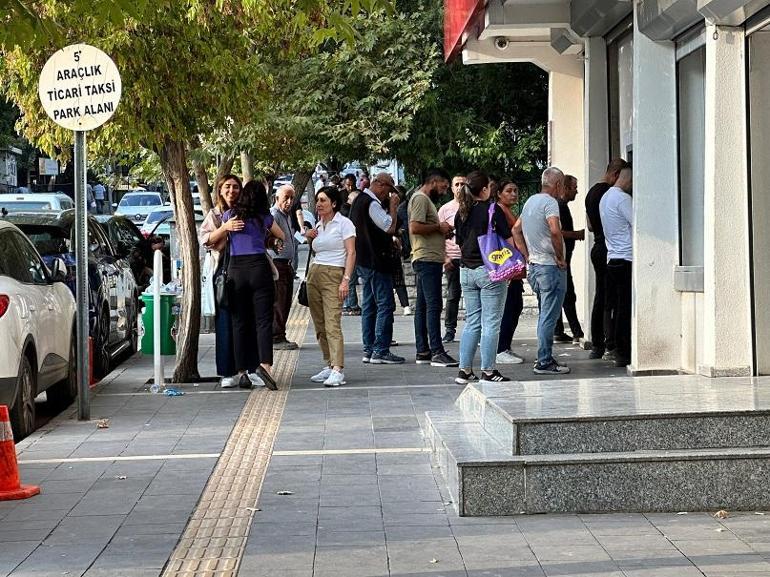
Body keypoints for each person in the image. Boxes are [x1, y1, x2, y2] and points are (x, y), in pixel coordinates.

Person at [224, 180, 285, 390]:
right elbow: (281, 235)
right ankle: (265, 367)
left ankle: (241, 372)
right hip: (259, 268)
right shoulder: (264, 217)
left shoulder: (229, 216)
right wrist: (268, 237)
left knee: (239, 322)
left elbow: (221, 239)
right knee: (263, 322)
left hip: (236, 271)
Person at [454, 171, 513, 384]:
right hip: (489, 271)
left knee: (472, 322)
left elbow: (459, 242)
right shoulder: (492, 209)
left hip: (466, 271)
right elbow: (508, 239)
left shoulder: (461, 212)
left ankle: (464, 370)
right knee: (491, 323)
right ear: (485, 190)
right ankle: (488, 371)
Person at [513, 167, 570, 375]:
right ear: (557, 185)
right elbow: (555, 231)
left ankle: (545, 356)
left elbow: (515, 230)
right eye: (562, 184)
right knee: (549, 316)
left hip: (535, 267)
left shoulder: (530, 202)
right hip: (549, 267)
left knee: (544, 313)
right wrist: (560, 258)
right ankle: (544, 361)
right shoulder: (550, 203)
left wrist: (527, 256)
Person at [349, 171, 404, 364]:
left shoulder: (359, 200)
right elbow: (388, 226)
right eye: (389, 189)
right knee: (385, 304)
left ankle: (369, 349)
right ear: (380, 185)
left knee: (370, 305)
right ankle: (380, 349)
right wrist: (394, 207)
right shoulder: (371, 203)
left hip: (364, 260)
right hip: (375, 260)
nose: (389, 195)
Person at [305, 186, 357, 387]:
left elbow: (351, 253)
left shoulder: (344, 224)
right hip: (315, 272)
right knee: (319, 323)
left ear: (333, 203)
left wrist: (346, 279)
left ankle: (338, 369)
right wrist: (311, 237)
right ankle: (328, 363)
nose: (318, 204)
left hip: (334, 273)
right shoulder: (319, 225)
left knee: (332, 322)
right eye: (318, 200)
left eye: (323, 200)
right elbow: (317, 249)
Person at [409, 169, 458, 367]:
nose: (445, 191)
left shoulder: (422, 199)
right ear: (434, 181)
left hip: (427, 257)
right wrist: (439, 227)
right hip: (426, 259)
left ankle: (423, 350)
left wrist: (441, 232)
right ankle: (437, 350)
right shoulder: (421, 199)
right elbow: (415, 227)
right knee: (433, 304)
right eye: (444, 186)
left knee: (422, 306)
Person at [199, 174, 241, 388]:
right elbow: (205, 239)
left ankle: (247, 368)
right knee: (224, 323)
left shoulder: (246, 212)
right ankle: (227, 371)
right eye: (227, 187)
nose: (231, 191)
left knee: (245, 322)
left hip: (246, 272)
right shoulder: (215, 215)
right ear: (220, 190)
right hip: (223, 275)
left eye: (235, 187)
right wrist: (225, 228)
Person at [585, 159, 627, 360]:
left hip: (598, 246)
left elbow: (590, 226)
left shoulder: (592, 193)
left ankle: (597, 345)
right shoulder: (610, 194)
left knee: (600, 296)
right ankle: (611, 344)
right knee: (612, 299)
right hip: (610, 248)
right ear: (616, 173)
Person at [599, 165, 633, 368]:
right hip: (626, 257)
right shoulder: (623, 199)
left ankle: (617, 348)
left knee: (616, 306)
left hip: (612, 257)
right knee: (625, 308)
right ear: (626, 179)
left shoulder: (605, 197)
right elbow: (640, 223)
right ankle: (624, 350)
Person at [495, 180, 525, 365]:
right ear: (499, 193)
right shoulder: (499, 211)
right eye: (509, 191)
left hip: (514, 269)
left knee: (515, 306)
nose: (513, 194)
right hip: (508, 268)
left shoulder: (508, 211)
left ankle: (505, 346)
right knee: (509, 308)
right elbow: (508, 238)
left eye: (515, 190)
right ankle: (500, 348)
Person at [553, 174, 585, 343]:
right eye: (574, 188)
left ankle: (559, 330)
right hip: (562, 257)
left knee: (562, 293)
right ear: (565, 188)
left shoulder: (561, 205)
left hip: (564, 256)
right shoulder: (559, 206)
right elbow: (557, 231)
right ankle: (576, 331)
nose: (577, 192)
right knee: (568, 294)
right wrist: (577, 235)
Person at [437, 175, 466, 343]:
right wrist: (445, 257)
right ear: (452, 188)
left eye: (463, 184)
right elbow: (438, 235)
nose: (460, 187)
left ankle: (476, 329)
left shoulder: (473, 207)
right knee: (453, 295)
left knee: (473, 297)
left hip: (470, 257)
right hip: (453, 257)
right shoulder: (445, 209)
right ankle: (450, 330)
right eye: (457, 184)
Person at [270, 184, 299, 350]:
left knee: (286, 301)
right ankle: (276, 336)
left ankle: (280, 334)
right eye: (285, 198)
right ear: (277, 199)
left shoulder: (287, 215)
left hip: (285, 264)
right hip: (277, 263)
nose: (289, 202)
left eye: (291, 198)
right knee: (279, 302)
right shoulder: (274, 214)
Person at [341, 174, 362, 315]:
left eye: (351, 184)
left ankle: (350, 304)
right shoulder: (344, 205)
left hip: (356, 246)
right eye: (347, 184)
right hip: (350, 246)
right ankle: (351, 304)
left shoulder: (359, 197)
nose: (349, 187)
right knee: (351, 276)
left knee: (352, 276)